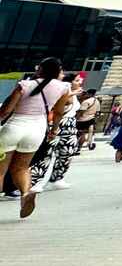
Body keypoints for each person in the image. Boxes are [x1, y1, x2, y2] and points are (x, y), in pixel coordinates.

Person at [0, 58, 71, 219]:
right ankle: (25, 194)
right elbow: (59, 112)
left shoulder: (25, 85)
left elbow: (6, 111)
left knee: (0, 170)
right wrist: (54, 130)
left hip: (14, 127)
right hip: (37, 131)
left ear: (40, 69)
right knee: (22, 168)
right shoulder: (63, 88)